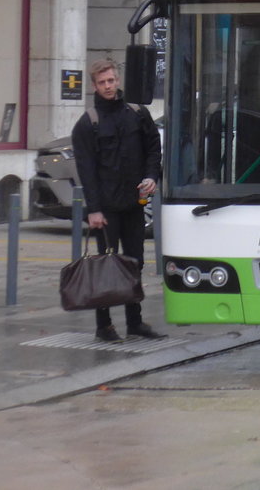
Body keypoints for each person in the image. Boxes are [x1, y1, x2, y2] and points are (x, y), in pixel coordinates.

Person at [71, 58, 166, 342]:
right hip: (107, 209)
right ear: (94, 86)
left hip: (134, 205)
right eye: (102, 82)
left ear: (118, 80)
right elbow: (86, 172)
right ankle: (104, 326)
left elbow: (153, 148)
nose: (108, 86)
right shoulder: (87, 124)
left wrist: (151, 176)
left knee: (134, 263)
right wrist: (94, 210)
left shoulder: (137, 114)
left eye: (111, 80)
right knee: (106, 267)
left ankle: (134, 322)